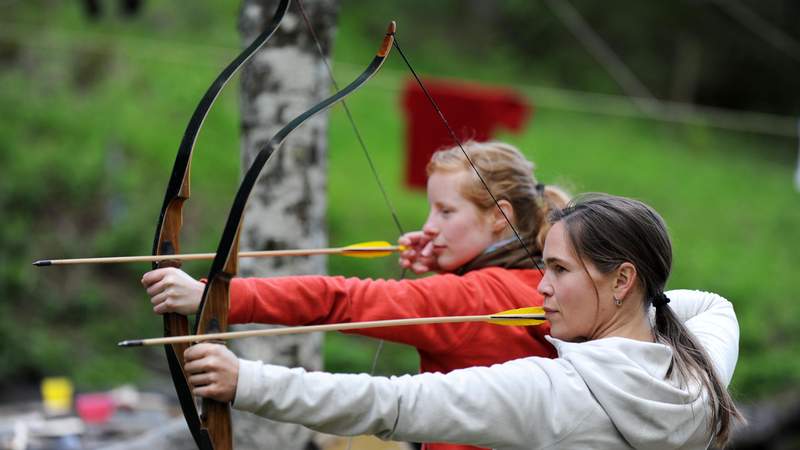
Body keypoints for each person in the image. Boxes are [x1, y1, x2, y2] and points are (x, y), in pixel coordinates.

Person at [180, 194, 744, 449]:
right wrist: (638, 308)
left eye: (557, 270)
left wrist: (248, 381)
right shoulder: (699, 372)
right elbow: (714, 305)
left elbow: (392, 404)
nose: (541, 287)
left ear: (622, 280)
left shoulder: (556, 393)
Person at [143, 141, 570, 450]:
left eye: (446, 212)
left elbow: (341, 300)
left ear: (500, 218)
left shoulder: (476, 297)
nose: (431, 225)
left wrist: (212, 298)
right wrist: (449, 264)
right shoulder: (537, 280)